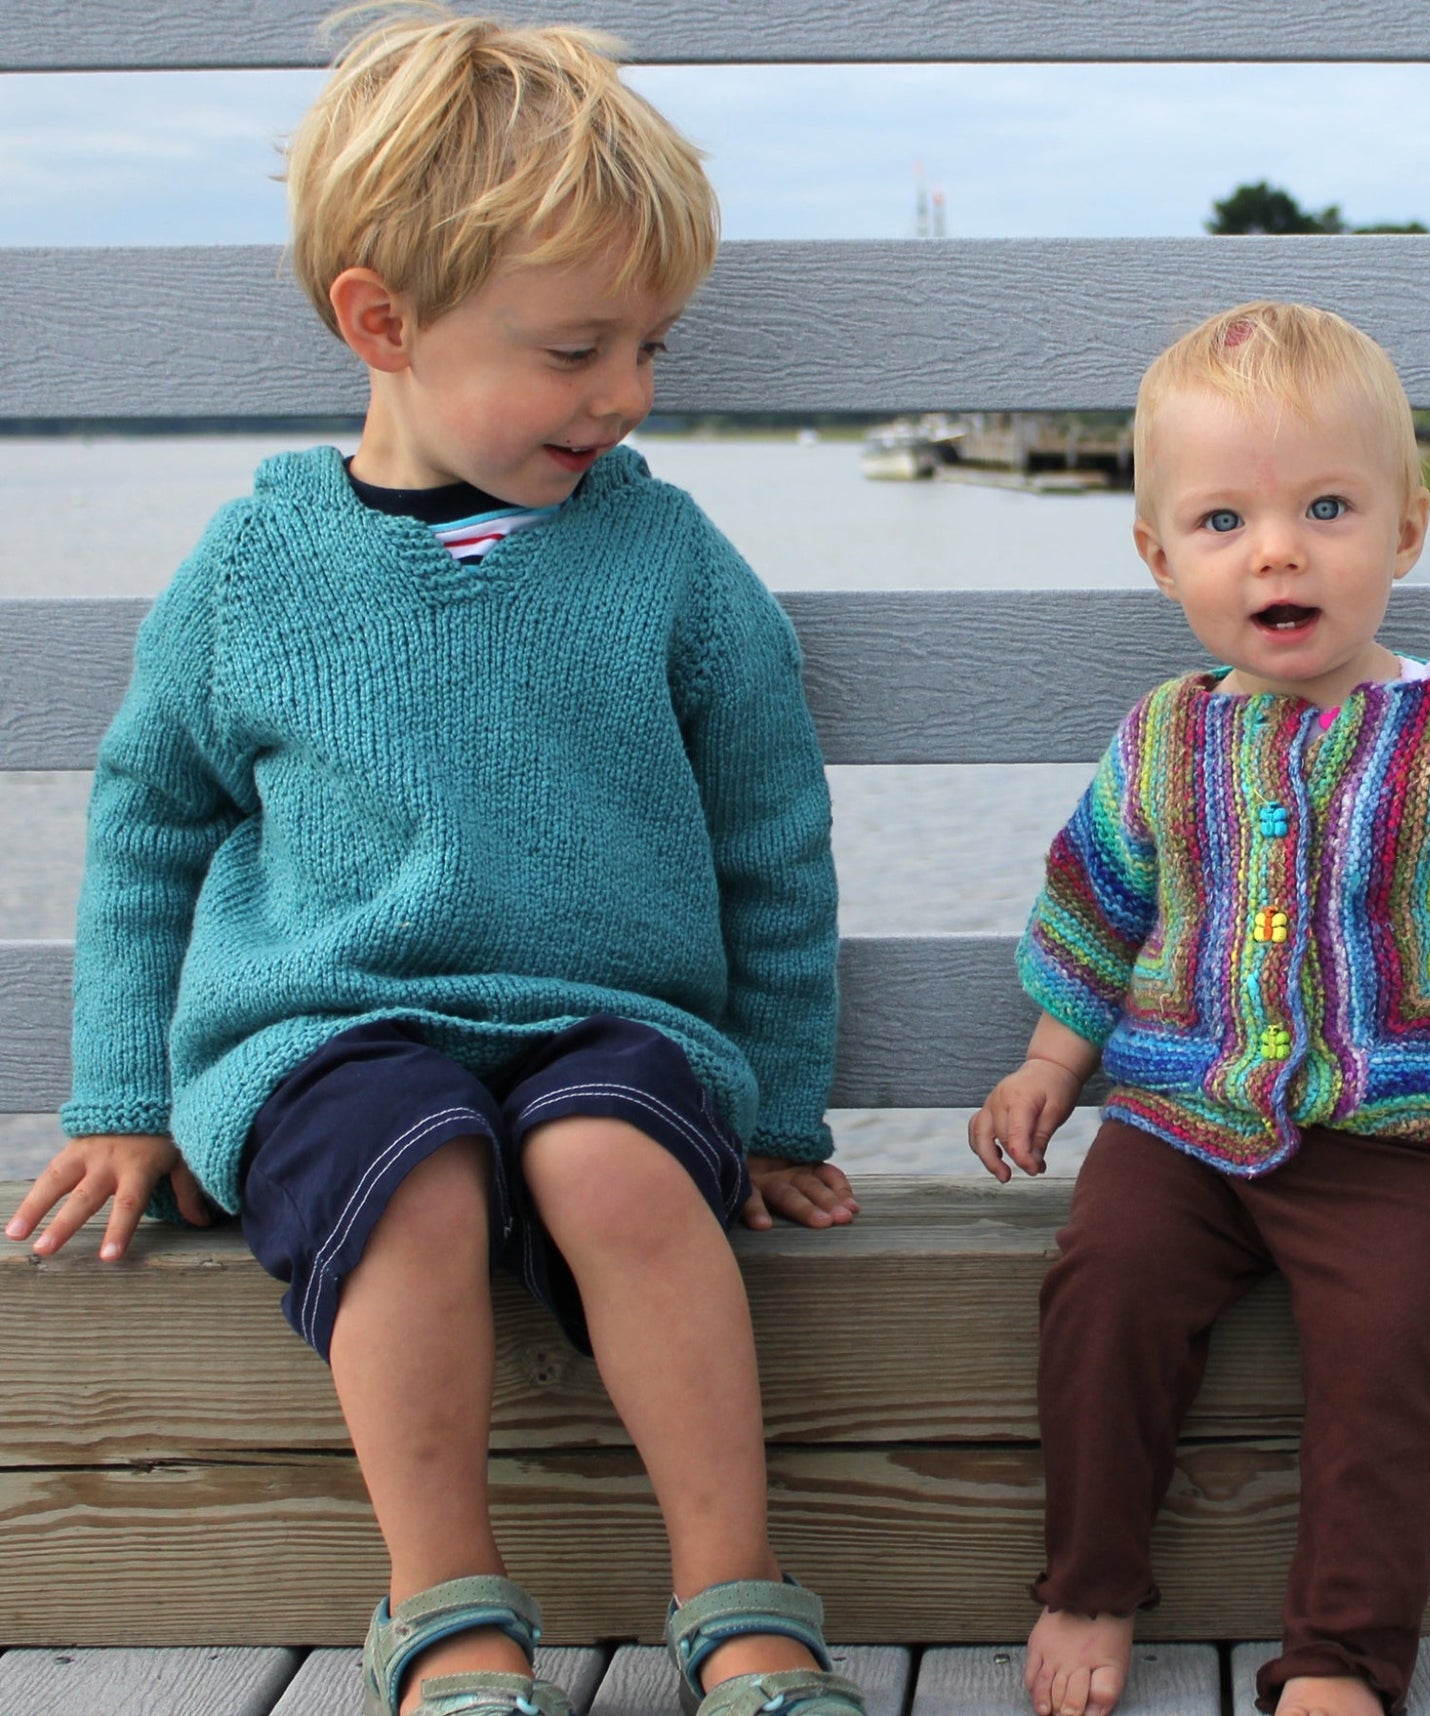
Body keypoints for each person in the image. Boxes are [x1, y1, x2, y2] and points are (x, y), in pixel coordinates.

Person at [4, 13, 868, 1716]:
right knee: (410, 1172)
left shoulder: (670, 563)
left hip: (611, 1023)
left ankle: (738, 1601)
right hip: (326, 1029)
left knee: (616, 1167)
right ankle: (448, 1612)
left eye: (651, 344)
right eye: (574, 350)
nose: (624, 394)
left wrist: (773, 1111)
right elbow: (148, 827)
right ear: (380, 322)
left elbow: (773, 843)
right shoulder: (256, 568)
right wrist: (118, 1099)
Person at [969, 301, 1430, 1716]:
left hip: (1406, 1137)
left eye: (1325, 508)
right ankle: (1090, 1580)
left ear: (1406, 530)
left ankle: (1340, 1658)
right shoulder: (1162, 738)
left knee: (1393, 1349)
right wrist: (1052, 1060)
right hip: (1180, 1114)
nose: (1277, 550)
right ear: (1157, 554)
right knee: (1099, 1288)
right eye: (1223, 520)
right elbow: (1100, 907)